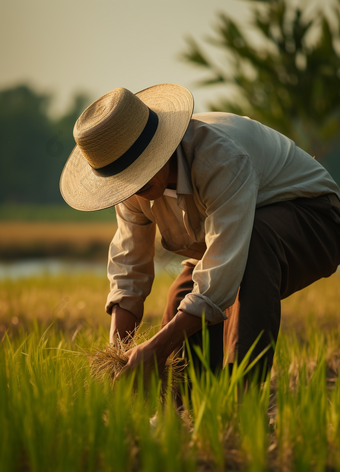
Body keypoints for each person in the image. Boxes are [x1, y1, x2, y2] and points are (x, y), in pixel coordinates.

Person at [60, 83, 340, 382]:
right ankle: (188, 411)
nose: (133, 186)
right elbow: (130, 269)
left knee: (249, 255)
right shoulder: (129, 190)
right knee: (181, 294)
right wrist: (118, 351)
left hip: (316, 219)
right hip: (234, 234)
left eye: (139, 170)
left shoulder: (218, 157)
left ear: (159, 147)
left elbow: (226, 266)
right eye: (124, 179)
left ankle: (243, 399)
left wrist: (156, 347)